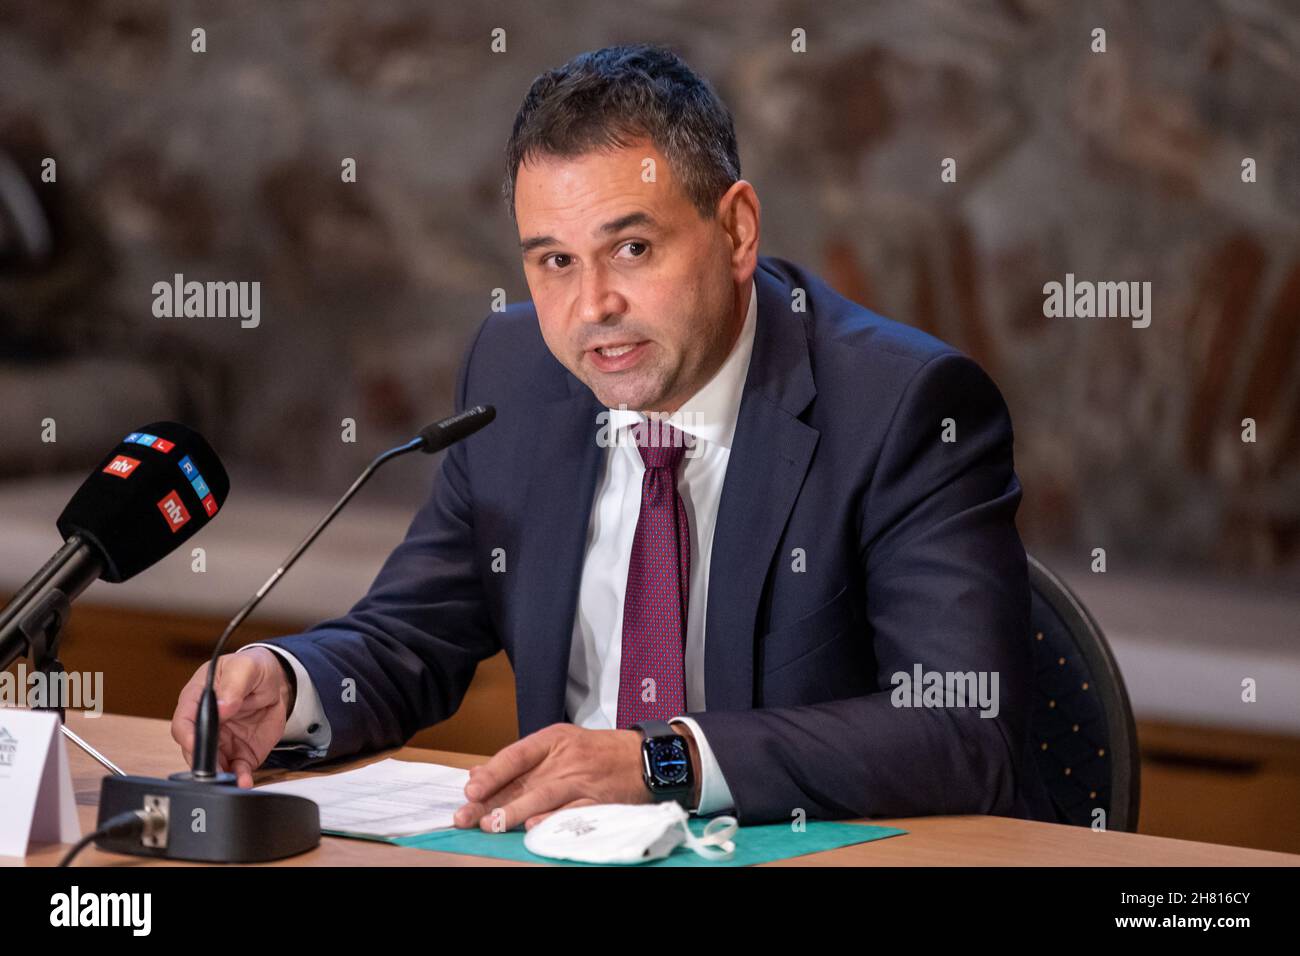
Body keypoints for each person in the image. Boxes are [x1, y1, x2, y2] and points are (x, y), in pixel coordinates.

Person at [172, 43, 1056, 831]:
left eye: (631, 249)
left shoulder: (902, 406)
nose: (592, 307)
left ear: (737, 229)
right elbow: (413, 635)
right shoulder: (517, 373)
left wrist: (660, 761)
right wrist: (290, 684)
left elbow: (959, 732)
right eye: (554, 261)